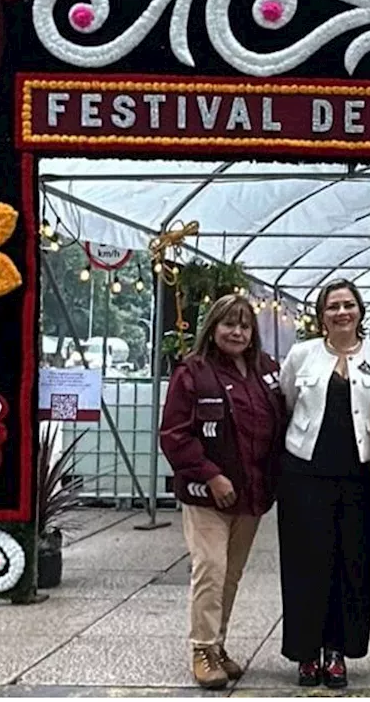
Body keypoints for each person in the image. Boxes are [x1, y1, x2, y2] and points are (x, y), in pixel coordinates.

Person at [159, 295, 287, 689]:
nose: (237, 332)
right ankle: (201, 648)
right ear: (213, 328)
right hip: (208, 496)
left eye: (245, 326)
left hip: (251, 494)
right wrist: (211, 475)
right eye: (229, 324)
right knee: (210, 569)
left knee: (231, 575)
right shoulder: (192, 373)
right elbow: (174, 435)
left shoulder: (267, 370)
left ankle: (219, 645)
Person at [277, 280, 370, 689]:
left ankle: (338, 652)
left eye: (348, 305)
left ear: (360, 310)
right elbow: (288, 401)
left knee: (353, 566)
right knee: (306, 564)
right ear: (321, 315)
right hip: (305, 474)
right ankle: (306, 653)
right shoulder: (302, 354)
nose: (341, 312)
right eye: (332, 306)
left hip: (360, 477)